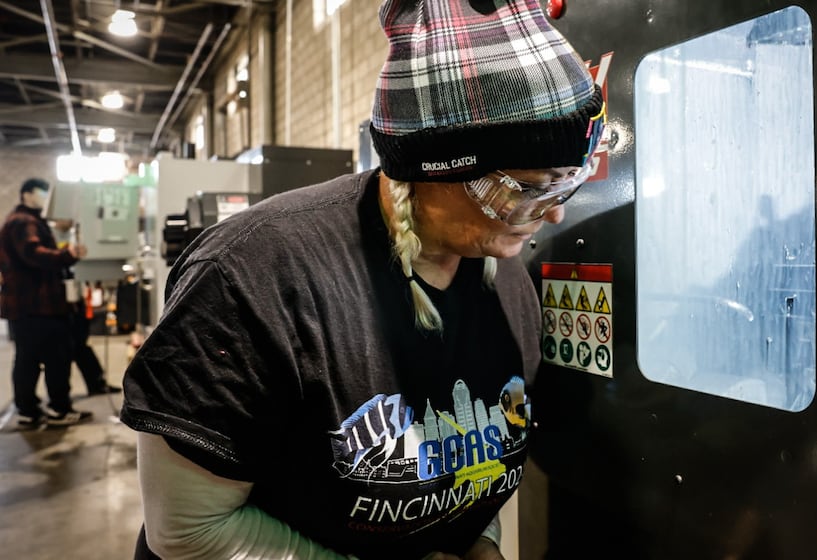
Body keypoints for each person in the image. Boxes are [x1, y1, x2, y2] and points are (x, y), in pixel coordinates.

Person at [120, 0, 605, 558]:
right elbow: (187, 532)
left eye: (564, 183)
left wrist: (479, 539)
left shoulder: (505, 281)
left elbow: (477, 459)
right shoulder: (251, 278)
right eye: (523, 188)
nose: (553, 214)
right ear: (427, 169)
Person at [0, 178, 93, 427]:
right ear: (26, 194)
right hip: (38, 305)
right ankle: (58, 410)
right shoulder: (23, 222)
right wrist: (68, 255)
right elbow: (33, 254)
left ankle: (29, 410)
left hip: (29, 306)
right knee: (55, 357)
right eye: (41, 192)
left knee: (28, 359)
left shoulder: (23, 221)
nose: (44, 197)